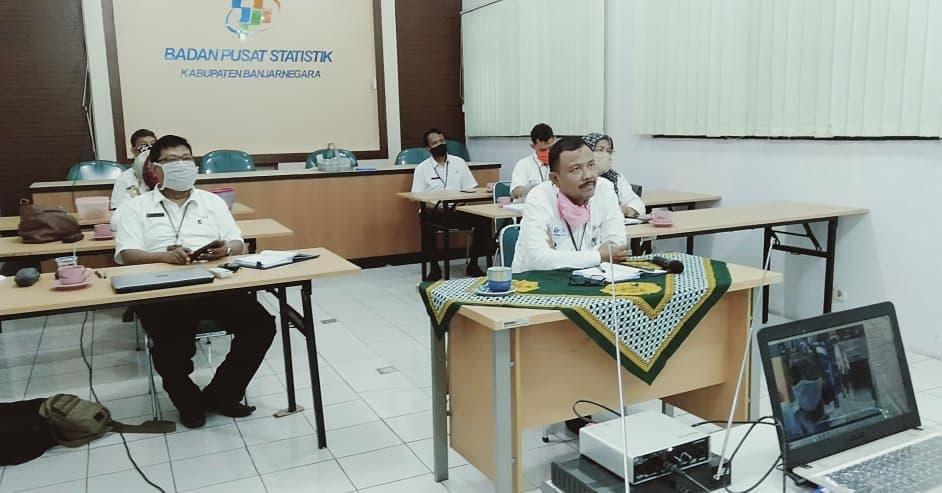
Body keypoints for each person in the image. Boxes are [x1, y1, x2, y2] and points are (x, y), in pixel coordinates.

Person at [115, 135, 275, 429]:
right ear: (154, 168)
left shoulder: (211, 202)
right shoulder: (136, 207)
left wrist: (226, 249)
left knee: (261, 325)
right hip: (163, 286)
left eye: (186, 159)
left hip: (214, 282)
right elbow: (126, 254)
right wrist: (163, 257)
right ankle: (187, 400)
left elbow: (238, 242)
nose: (182, 165)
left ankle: (221, 395)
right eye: (172, 160)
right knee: (172, 346)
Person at [512, 137, 628, 273]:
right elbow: (539, 259)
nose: (588, 175)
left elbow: (617, 246)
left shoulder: (604, 189)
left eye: (591, 165)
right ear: (555, 179)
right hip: (539, 281)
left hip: (591, 277)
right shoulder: (540, 197)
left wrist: (557, 255)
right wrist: (598, 255)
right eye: (576, 169)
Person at [411, 128, 490, 280]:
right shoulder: (422, 169)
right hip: (434, 211)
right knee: (425, 221)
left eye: (442, 141)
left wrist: (460, 203)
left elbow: (471, 189)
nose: (440, 144)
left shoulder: (459, 163)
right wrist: (437, 207)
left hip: (457, 209)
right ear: (428, 148)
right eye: (435, 143)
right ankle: (434, 268)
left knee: (483, 219)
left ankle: (473, 264)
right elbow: (419, 198)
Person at [582, 133, 645, 218]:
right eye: (600, 150)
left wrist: (626, 210)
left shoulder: (615, 177)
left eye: (609, 151)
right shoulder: (578, 177)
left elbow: (637, 204)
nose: (606, 155)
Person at [111, 129, 158, 212]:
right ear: (133, 150)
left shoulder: (162, 173)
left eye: (153, 144)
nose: (149, 147)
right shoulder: (124, 178)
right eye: (144, 144)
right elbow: (116, 208)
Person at [510, 123, 556, 200]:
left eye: (551, 148)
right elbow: (515, 192)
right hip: (530, 205)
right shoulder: (523, 164)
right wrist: (529, 190)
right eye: (543, 150)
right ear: (533, 146)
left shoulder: (560, 163)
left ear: (554, 140)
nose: (548, 152)